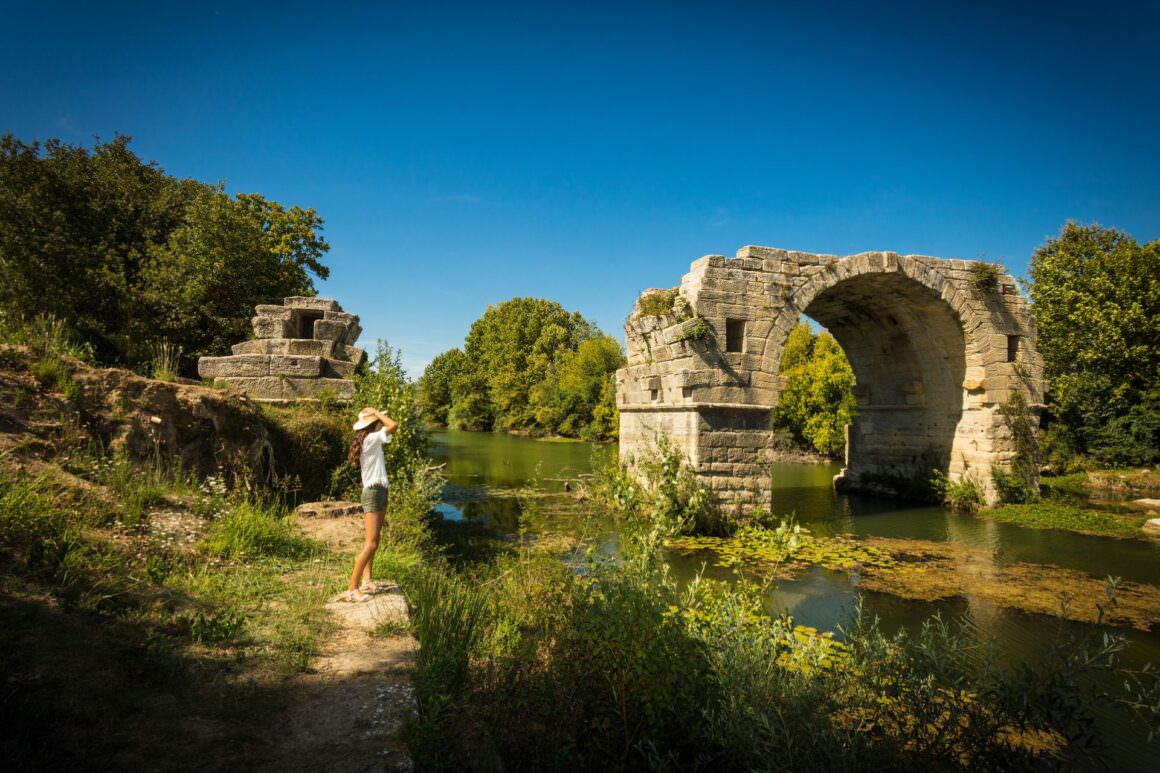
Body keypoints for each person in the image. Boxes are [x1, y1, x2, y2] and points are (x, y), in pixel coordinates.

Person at [343, 406, 398, 602]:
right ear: (373, 424)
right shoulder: (371, 439)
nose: (381, 423)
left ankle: (367, 580)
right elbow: (393, 424)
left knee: (374, 542)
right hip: (373, 493)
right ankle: (352, 588)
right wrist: (376, 413)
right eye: (377, 422)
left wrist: (375, 416)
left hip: (380, 489)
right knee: (371, 544)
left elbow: (388, 427)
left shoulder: (371, 440)